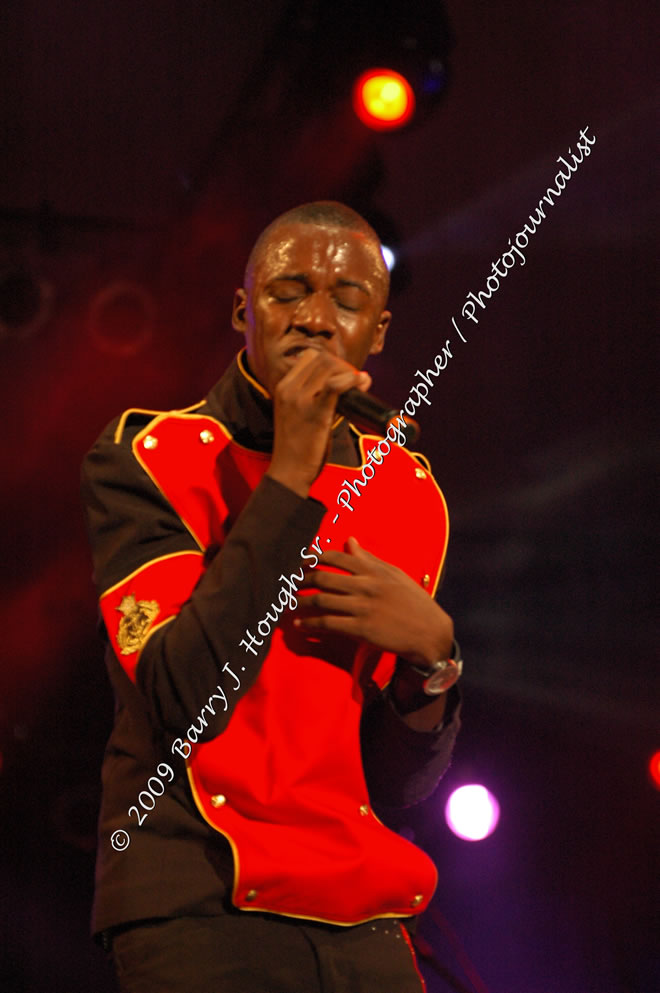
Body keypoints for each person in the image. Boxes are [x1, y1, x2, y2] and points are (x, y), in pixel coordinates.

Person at [82, 201, 462, 993]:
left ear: (378, 332)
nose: (316, 318)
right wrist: (291, 471)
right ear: (242, 311)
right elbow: (181, 698)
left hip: (362, 914)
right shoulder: (151, 456)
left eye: (347, 301)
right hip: (200, 904)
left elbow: (396, 786)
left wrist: (434, 663)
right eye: (289, 292)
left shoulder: (407, 491)